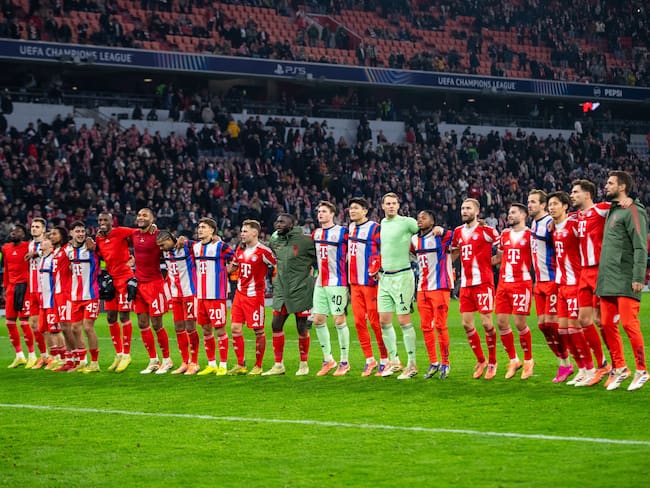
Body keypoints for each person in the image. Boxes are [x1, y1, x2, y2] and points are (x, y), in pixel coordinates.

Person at [596, 171, 649, 391]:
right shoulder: (613, 210)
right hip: (608, 279)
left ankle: (642, 370)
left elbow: (640, 245)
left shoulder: (633, 210)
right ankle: (619, 367)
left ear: (623, 186)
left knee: (629, 323)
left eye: (610, 183)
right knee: (607, 324)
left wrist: (638, 276)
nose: (605, 186)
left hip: (626, 277)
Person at [547, 191, 594, 386]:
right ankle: (582, 368)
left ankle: (591, 368)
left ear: (566, 206)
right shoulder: (553, 228)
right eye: (550, 204)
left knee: (575, 329)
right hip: (561, 285)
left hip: (575, 283)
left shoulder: (574, 224)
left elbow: (585, 217)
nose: (551, 207)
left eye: (556, 204)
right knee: (564, 330)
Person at [452, 199, 500, 380]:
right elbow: (455, 251)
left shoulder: (487, 231)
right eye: (463, 208)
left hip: (483, 283)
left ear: (476, 211)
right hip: (466, 284)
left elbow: (502, 247)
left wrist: (492, 261)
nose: (464, 211)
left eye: (468, 208)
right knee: (466, 324)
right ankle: (481, 360)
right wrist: (449, 265)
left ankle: (493, 361)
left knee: (487, 323)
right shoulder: (458, 232)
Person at [570, 179, 611, 384]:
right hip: (583, 273)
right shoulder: (576, 217)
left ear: (587, 194)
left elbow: (622, 205)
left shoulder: (602, 210)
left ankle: (618, 365)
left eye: (576, 192)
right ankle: (603, 365)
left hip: (600, 271)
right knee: (584, 320)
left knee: (603, 321)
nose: (572, 195)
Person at [263, 213, 315, 376]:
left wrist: (314, 276)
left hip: (301, 289)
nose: (278, 224)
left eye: (282, 222)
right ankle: (278, 365)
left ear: (292, 224)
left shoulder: (305, 241)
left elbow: (319, 258)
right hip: (281, 290)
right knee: (275, 325)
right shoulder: (275, 240)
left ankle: (304, 364)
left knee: (301, 326)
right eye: (277, 221)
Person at [528, 189, 570, 381]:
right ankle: (563, 361)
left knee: (553, 325)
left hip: (553, 281)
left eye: (533, 202)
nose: (530, 205)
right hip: (539, 282)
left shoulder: (550, 224)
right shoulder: (534, 224)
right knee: (543, 325)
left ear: (543, 205)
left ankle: (566, 363)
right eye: (528, 202)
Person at [376, 192, 419, 379]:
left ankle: (412, 364)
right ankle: (394, 361)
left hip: (402, 276)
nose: (391, 206)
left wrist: (438, 230)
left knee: (403, 321)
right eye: (388, 203)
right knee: (384, 321)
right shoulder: (382, 224)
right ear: (383, 206)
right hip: (384, 278)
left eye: (394, 203)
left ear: (398, 205)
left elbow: (424, 229)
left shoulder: (407, 222)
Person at [493, 203, 535, 380]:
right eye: (509, 212)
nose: (509, 215)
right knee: (502, 323)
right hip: (503, 284)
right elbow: (499, 258)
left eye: (513, 212)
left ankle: (528, 360)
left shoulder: (531, 235)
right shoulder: (504, 235)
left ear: (524, 215)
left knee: (519, 323)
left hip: (521, 283)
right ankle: (513, 360)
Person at [229, 219, 276, 375]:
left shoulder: (264, 251)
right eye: (241, 231)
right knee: (235, 328)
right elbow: (234, 266)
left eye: (245, 231)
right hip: (239, 295)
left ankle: (258, 365)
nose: (242, 234)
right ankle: (240, 364)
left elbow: (277, 264)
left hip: (255, 296)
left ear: (254, 232)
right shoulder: (240, 250)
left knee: (258, 331)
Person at [347, 197, 387, 377]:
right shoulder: (350, 227)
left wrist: (378, 266)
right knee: (358, 322)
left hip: (370, 283)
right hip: (354, 282)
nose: (352, 211)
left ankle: (386, 360)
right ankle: (370, 360)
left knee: (375, 322)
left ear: (365, 211)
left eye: (356, 208)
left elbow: (384, 249)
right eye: (350, 208)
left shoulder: (375, 228)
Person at [411, 210, 453, 379]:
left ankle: (445, 363)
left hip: (440, 288)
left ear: (433, 221)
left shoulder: (440, 236)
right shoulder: (414, 240)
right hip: (422, 289)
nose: (420, 220)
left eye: (424, 217)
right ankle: (433, 362)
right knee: (425, 327)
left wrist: (443, 231)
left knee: (441, 326)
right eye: (418, 218)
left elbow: (455, 237)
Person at [312, 201, 351, 377]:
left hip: (337, 281)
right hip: (320, 282)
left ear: (332, 214)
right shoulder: (316, 233)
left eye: (324, 211)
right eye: (319, 211)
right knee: (318, 320)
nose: (320, 214)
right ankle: (328, 359)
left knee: (338, 320)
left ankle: (344, 361)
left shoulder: (342, 232)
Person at [133, 208, 173, 375]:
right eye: (139, 215)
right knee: (142, 323)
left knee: (157, 324)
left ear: (152, 218)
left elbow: (172, 243)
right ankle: (153, 360)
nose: (141, 217)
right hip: (139, 285)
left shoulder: (158, 236)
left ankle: (167, 360)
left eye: (145, 215)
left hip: (155, 285)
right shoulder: (133, 234)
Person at [193, 218, 235, 376]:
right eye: (199, 227)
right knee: (205, 329)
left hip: (216, 295)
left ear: (212, 230)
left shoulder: (220, 246)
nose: (200, 229)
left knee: (220, 330)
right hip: (201, 295)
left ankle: (223, 365)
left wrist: (227, 271)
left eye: (203, 227)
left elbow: (235, 258)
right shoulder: (195, 247)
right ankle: (211, 364)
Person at [95, 212, 136, 373]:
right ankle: (118, 354)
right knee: (111, 316)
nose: (103, 222)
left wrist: (152, 227)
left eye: (106, 220)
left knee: (124, 316)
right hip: (111, 280)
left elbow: (139, 236)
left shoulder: (121, 232)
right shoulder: (98, 239)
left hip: (124, 279)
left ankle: (127, 354)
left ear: (112, 222)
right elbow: (100, 256)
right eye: (100, 220)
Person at [157, 230, 200, 375]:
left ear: (170, 239)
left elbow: (203, 245)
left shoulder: (187, 247)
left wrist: (186, 240)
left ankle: (194, 362)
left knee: (190, 327)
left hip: (189, 293)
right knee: (178, 328)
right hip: (176, 295)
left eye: (163, 245)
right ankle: (185, 361)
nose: (161, 248)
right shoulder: (165, 252)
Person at [66, 221, 101, 372]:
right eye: (77, 231)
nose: (80, 234)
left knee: (88, 327)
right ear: (71, 233)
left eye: (82, 231)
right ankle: (82, 361)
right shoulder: (68, 250)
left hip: (91, 294)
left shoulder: (91, 248)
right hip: (75, 296)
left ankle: (95, 363)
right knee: (74, 329)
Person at [2, 223, 35, 368]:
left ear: (24, 234)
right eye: (13, 231)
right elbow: (7, 270)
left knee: (24, 322)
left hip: (25, 287)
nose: (14, 232)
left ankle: (32, 355)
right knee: (9, 322)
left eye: (19, 231)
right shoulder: (6, 248)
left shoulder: (29, 246)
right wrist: (5, 287)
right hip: (11, 289)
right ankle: (19, 355)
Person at [37, 234, 66, 369]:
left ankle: (62, 357)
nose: (41, 243)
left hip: (52, 300)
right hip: (43, 300)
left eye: (44, 241)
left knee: (55, 330)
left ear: (50, 244)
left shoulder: (54, 258)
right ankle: (53, 356)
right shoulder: (42, 257)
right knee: (43, 329)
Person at [24, 218, 49, 369]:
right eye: (32, 226)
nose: (34, 229)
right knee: (34, 325)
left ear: (43, 229)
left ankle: (56, 355)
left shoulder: (47, 243)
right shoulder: (31, 244)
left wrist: (36, 253)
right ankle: (44, 356)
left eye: (37, 227)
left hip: (45, 289)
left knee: (48, 325)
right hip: (33, 289)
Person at [51, 226, 75, 371]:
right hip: (58, 294)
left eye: (54, 234)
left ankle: (77, 359)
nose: (51, 236)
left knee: (68, 327)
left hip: (67, 293)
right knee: (64, 327)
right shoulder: (56, 251)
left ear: (62, 236)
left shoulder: (67, 249)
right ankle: (70, 358)